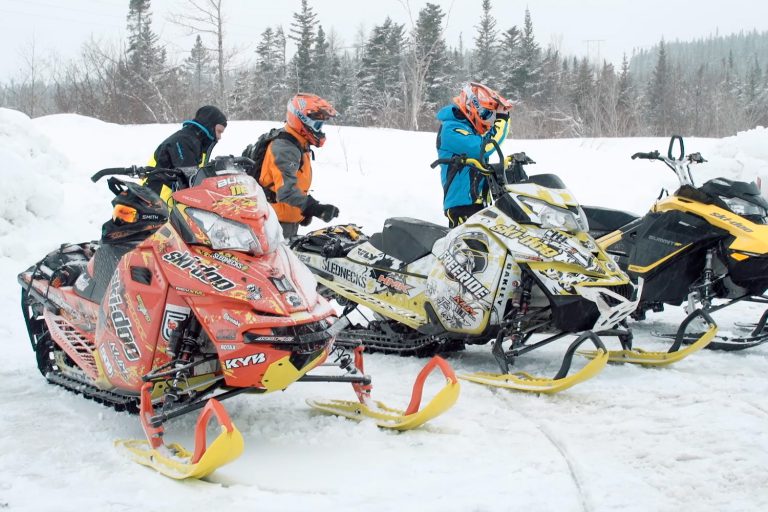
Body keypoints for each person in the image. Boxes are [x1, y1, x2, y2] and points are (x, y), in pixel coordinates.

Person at [259, 93, 340, 239]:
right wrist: (313, 207)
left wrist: (303, 212)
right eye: (317, 125)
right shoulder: (285, 148)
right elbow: (286, 192)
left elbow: (295, 184)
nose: (319, 130)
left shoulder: (298, 143)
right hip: (275, 225)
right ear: (301, 120)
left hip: (286, 220)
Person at [435, 82, 513, 227]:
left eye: (492, 116)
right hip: (462, 205)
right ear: (472, 107)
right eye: (487, 114)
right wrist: (502, 120)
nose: (489, 121)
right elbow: (482, 148)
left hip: (480, 204)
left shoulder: (470, 130)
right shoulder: (451, 129)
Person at [145, 105, 228, 202]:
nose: (219, 137)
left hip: (172, 198)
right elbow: (190, 178)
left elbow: (197, 174)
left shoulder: (196, 142)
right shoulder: (183, 141)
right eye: (219, 131)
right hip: (158, 198)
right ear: (209, 126)